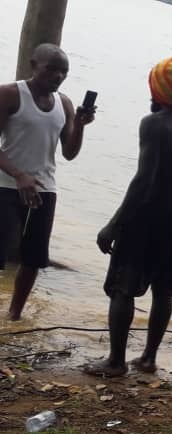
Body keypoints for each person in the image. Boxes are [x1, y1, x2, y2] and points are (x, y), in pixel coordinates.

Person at [84, 57, 172, 378]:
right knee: (164, 289)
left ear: (160, 91)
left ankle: (115, 361)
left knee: (123, 288)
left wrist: (113, 226)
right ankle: (148, 359)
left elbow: (144, 180)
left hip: (152, 212)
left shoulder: (154, 123)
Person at [0, 43, 94, 321]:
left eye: (63, 72)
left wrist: (80, 125)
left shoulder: (63, 103)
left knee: (34, 257)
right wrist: (19, 174)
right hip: (6, 185)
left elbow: (69, 152)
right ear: (33, 65)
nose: (57, 76)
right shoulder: (9, 94)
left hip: (45, 189)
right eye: (51, 69)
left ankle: (14, 315)